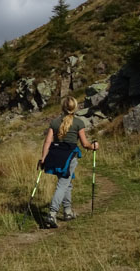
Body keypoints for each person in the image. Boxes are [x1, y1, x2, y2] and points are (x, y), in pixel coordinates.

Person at [38, 95, 98, 228]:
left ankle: (67, 211)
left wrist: (43, 158)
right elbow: (84, 143)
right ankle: (52, 214)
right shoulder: (78, 123)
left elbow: (48, 141)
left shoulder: (54, 122)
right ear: (75, 107)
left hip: (56, 156)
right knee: (63, 184)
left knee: (67, 184)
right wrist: (93, 146)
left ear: (63, 107)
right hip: (69, 157)